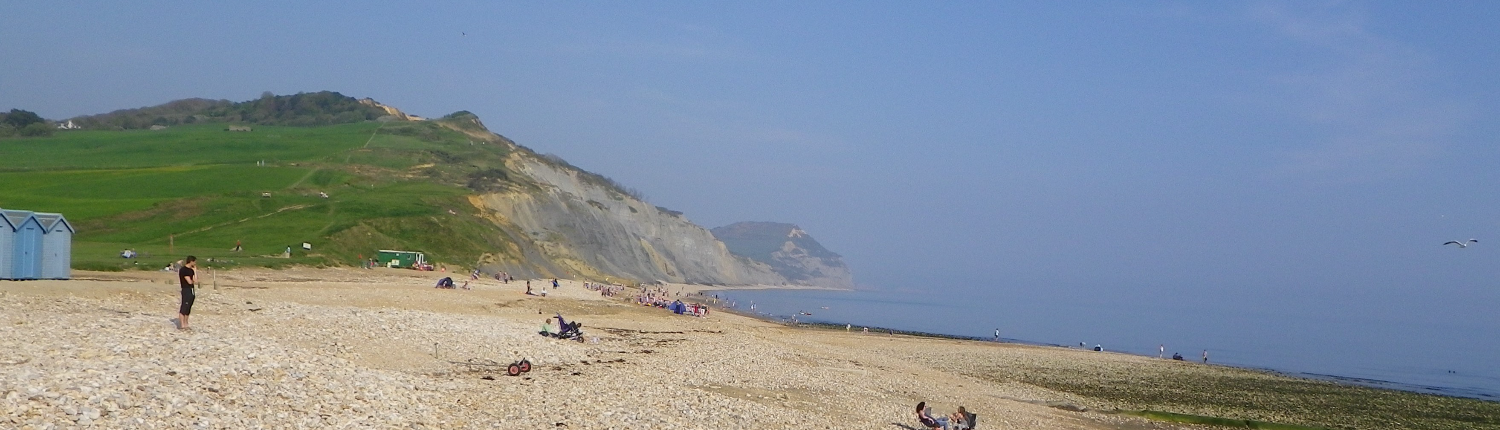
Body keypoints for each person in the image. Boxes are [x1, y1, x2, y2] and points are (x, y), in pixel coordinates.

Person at [177, 256, 198, 330]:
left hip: (191, 290)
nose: (195, 263)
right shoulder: (184, 270)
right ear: (191, 261)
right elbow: (189, 281)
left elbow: (195, 280)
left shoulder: (191, 270)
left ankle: (186, 323)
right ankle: (182, 325)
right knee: (184, 306)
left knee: (188, 307)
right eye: (194, 261)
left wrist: (195, 271)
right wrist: (192, 281)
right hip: (186, 289)